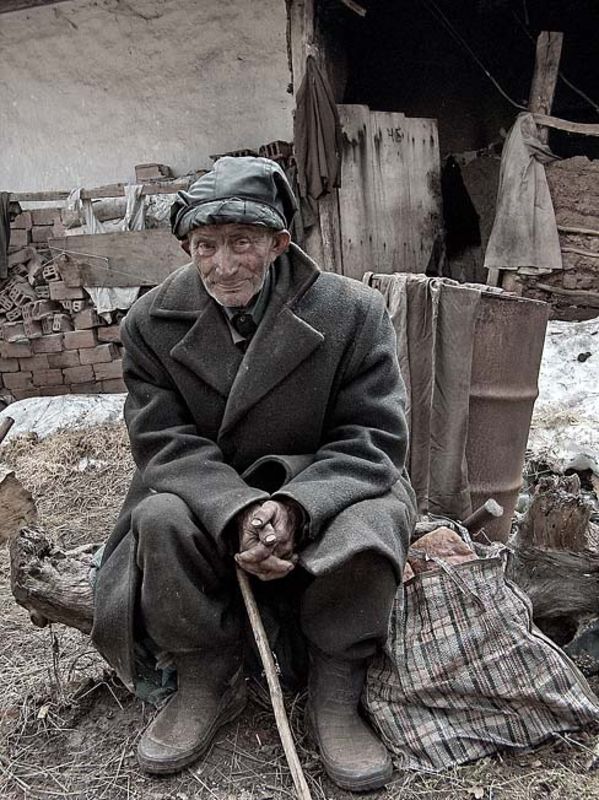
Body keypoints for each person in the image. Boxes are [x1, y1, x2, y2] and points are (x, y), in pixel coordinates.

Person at [92, 156, 416, 792]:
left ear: (278, 243)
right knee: (159, 516)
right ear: (187, 248)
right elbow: (163, 443)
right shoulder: (150, 323)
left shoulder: (352, 311)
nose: (223, 264)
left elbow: (373, 436)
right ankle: (205, 675)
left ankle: (336, 684)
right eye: (205, 246)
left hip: (329, 479)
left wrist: (294, 506)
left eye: (242, 242)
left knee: (375, 517)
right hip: (210, 487)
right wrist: (238, 509)